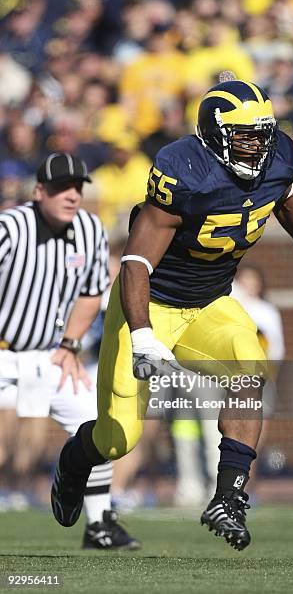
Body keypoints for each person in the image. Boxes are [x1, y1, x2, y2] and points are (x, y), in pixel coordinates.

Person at [51, 76, 293, 551]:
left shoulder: (278, 157)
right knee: (118, 439)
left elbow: (288, 191)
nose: (260, 146)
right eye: (247, 136)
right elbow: (135, 262)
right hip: (148, 305)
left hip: (210, 303)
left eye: (264, 133)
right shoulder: (184, 171)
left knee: (249, 366)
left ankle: (228, 496)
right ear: (215, 135)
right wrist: (144, 333)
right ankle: (74, 460)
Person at [0, 152, 140, 550]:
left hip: (49, 353)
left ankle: (98, 525)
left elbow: (91, 292)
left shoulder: (90, 230)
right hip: (2, 351)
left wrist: (69, 344)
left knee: (100, 425)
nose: (72, 195)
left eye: (77, 187)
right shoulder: (10, 227)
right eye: (62, 187)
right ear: (39, 191)